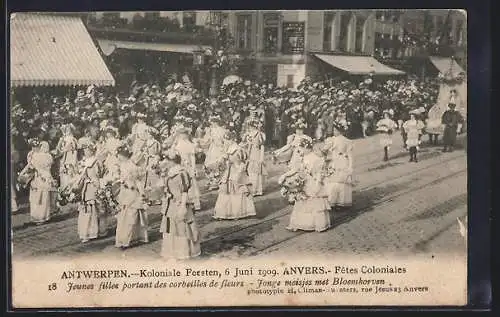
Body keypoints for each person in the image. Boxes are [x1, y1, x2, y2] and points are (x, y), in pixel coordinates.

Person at [158, 150, 201, 260]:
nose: (165, 162)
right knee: (171, 227)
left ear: (172, 161)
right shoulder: (169, 172)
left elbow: (185, 191)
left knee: (182, 227)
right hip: (171, 204)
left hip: (180, 203)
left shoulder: (182, 173)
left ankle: (183, 251)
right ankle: (173, 252)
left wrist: (182, 206)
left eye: (166, 160)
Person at [286, 139, 330, 232]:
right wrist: (286, 176)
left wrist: (317, 184)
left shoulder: (316, 158)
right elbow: (297, 169)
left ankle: (316, 224)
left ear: (307, 148)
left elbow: (319, 173)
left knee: (314, 200)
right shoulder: (303, 157)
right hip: (304, 182)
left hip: (312, 182)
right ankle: (302, 223)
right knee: (302, 200)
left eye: (302, 148)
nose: (301, 151)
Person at [115, 144, 149, 249]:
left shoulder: (132, 167)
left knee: (131, 216)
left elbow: (138, 181)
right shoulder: (122, 165)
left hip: (132, 192)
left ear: (125, 155)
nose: (118, 157)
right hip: (124, 192)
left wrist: (142, 193)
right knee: (123, 216)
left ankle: (129, 239)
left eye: (120, 155)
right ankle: (124, 238)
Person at [213, 143, 256, 220]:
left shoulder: (238, 151)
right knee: (228, 193)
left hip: (236, 174)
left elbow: (241, 161)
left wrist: (239, 168)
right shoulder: (230, 152)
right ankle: (226, 212)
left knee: (238, 191)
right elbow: (224, 161)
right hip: (230, 174)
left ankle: (237, 212)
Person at [74, 138, 102, 243]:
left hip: (92, 186)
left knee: (91, 209)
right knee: (85, 209)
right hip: (84, 187)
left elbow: (99, 173)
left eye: (87, 149)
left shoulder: (95, 161)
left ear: (92, 150)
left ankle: (92, 232)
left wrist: (92, 180)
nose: (85, 151)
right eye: (84, 149)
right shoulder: (83, 161)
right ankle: (85, 232)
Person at [323, 123, 354, 211]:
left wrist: (350, 166)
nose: (334, 132)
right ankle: (332, 201)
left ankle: (342, 202)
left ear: (341, 131)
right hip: (333, 162)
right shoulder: (331, 140)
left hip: (342, 162)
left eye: (336, 130)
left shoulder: (347, 141)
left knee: (342, 182)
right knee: (332, 182)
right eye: (334, 130)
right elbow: (325, 150)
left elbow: (350, 155)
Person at [26, 141, 57, 225]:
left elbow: (31, 165)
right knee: (44, 197)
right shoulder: (49, 156)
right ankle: (45, 215)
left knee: (37, 198)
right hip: (47, 177)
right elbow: (50, 166)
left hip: (38, 177)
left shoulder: (35, 156)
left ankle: (37, 216)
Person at [173, 127, 201, 210]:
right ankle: (184, 201)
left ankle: (194, 202)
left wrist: (193, 167)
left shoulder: (189, 144)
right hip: (181, 165)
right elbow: (176, 156)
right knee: (182, 182)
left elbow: (192, 157)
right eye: (181, 135)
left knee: (191, 182)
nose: (182, 137)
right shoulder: (177, 145)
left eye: (184, 135)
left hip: (188, 165)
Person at [201, 115, 229, 190]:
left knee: (219, 163)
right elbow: (207, 140)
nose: (213, 124)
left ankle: (218, 181)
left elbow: (225, 140)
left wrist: (223, 146)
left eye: (214, 122)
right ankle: (212, 180)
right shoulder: (210, 130)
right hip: (213, 148)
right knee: (209, 164)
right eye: (212, 122)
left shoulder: (222, 130)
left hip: (220, 148)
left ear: (217, 122)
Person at [242, 118, 266, 196]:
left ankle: (258, 189)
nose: (250, 128)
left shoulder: (259, 134)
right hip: (250, 153)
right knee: (250, 171)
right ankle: (252, 189)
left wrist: (261, 157)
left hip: (257, 154)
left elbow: (262, 146)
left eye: (252, 126)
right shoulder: (248, 134)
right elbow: (244, 143)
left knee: (257, 171)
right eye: (249, 126)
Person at [53, 124, 78, 189]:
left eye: (68, 130)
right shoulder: (62, 139)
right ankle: (64, 188)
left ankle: (71, 189)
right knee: (64, 173)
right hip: (64, 157)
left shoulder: (73, 139)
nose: (67, 132)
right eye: (66, 130)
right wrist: (61, 146)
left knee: (71, 172)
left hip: (71, 157)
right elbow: (59, 149)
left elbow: (75, 148)